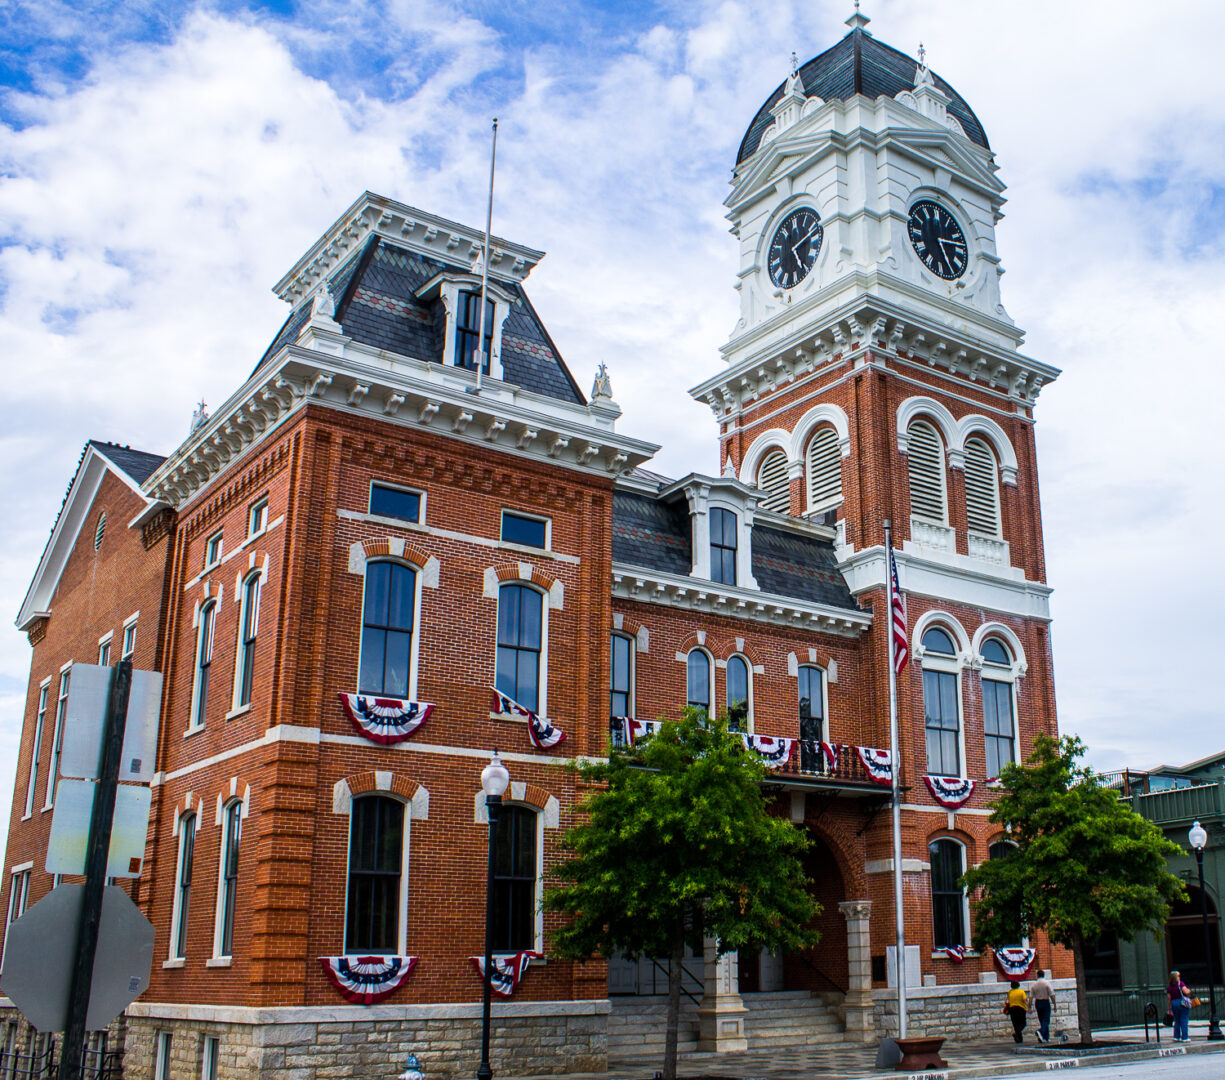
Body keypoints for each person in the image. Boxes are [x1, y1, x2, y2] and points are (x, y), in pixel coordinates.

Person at [1030, 969, 1056, 1043]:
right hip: (1045, 1001)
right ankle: (1041, 1031)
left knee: (1042, 1019)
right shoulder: (1047, 983)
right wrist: (1054, 1004)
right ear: (1044, 975)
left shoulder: (1034, 985)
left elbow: (1031, 997)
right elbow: (1052, 995)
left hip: (1037, 1002)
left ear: (1037, 975)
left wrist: (1029, 1006)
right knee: (1046, 1019)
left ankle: (1045, 1037)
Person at [1167, 970, 1192, 1041]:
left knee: (1177, 1020)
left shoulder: (1169, 987)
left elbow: (1169, 998)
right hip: (1182, 1002)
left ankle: (1176, 1036)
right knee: (1184, 1020)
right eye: (1178, 976)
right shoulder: (1180, 984)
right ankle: (1185, 1037)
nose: (1179, 977)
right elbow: (1186, 992)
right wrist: (1189, 990)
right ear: (1175, 977)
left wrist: (1169, 1008)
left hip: (1174, 1003)